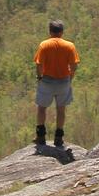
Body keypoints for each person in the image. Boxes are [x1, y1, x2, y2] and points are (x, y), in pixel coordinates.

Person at [33, 20, 80, 148]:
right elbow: (74, 65)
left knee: (42, 108)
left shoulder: (44, 45)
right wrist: (70, 77)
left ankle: (40, 136)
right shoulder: (69, 46)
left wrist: (39, 77)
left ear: (50, 31)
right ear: (62, 32)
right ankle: (58, 137)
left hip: (47, 80)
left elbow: (38, 64)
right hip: (64, 80)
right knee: (61, 109)